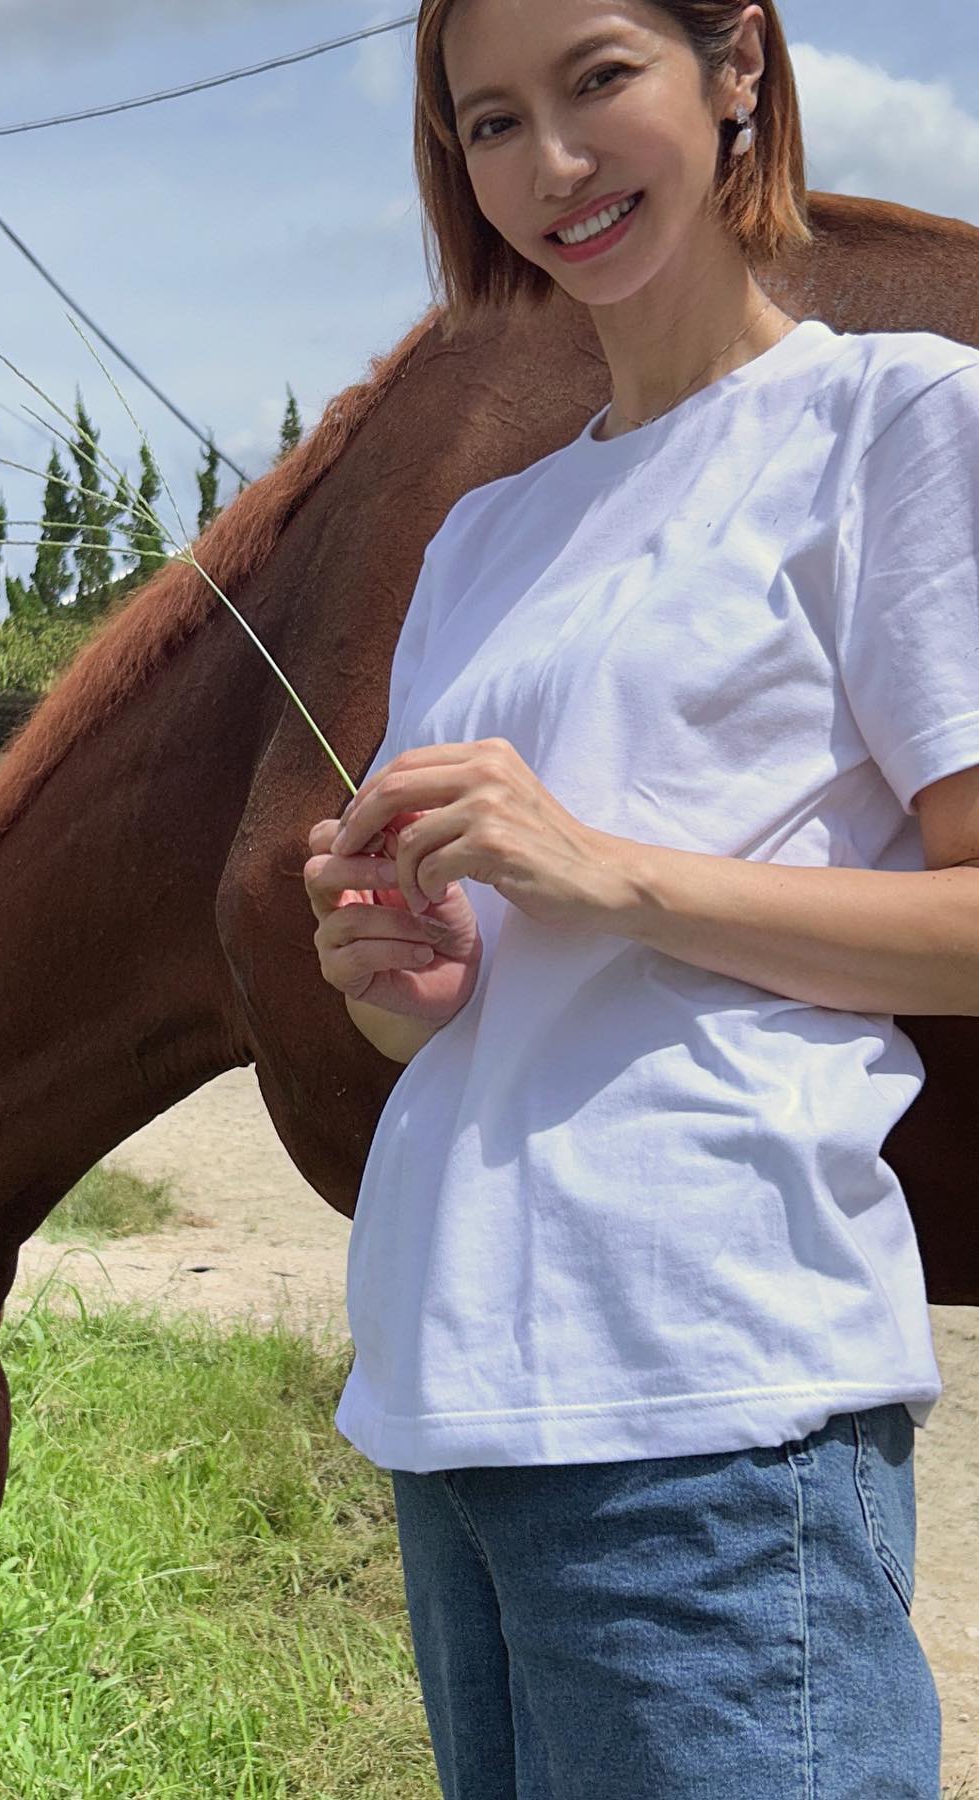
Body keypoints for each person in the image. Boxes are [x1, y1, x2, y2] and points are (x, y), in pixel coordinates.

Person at [302, 1, 979, 1794]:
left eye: (600, 80)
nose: (554, 166)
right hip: (455, 1404)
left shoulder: (892, 423)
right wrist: (396, 971)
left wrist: (597, 866)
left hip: (709, 1407)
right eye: (494, 123)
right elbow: (452, 1003)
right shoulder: (484, 537)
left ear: (736, 65)